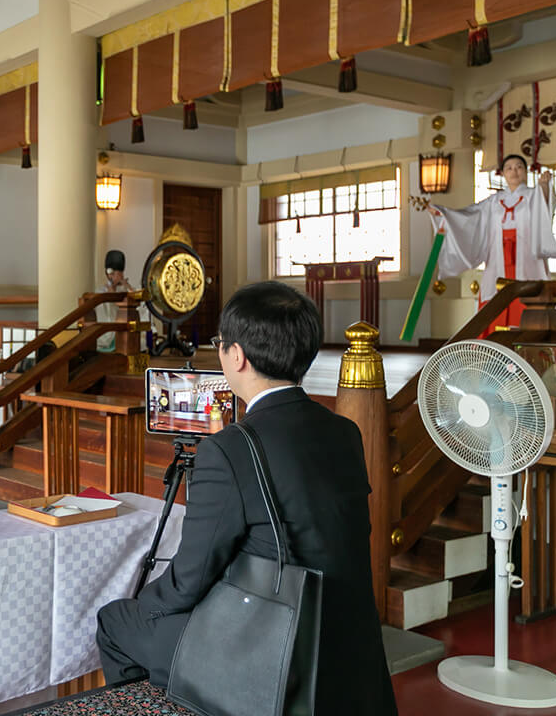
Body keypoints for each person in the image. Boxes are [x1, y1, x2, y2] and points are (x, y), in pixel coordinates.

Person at [96, 281, 396, 715]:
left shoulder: (229, 449)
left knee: (117, 621)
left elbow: (188, 580)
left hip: (272, 649)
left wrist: (146, 606)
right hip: (348, 639)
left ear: (236, 356)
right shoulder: (344, 432)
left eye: (221, 344)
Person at [427, 154, 556, 331]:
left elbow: (545, 209)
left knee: (528, 296)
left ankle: (529, 348)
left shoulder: (533, 195)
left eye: (519, 167)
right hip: (498, 257)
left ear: (526, 172)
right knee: (495, 296)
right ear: (503, 174)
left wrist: (544, 187)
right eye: (509, 168)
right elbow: (469, 216)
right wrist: (443, 214)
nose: (514, 171)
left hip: (526, 258)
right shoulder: (493, 201)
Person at [90, 249, 131, 352]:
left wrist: (126, 286)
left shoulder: (124, 289)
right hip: (105, 334)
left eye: (120, 273)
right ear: (109, 273)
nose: (119, 275)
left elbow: (134, 303)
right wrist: (112, 292)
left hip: (121, 332)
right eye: (116, 273)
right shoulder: (100, 291)